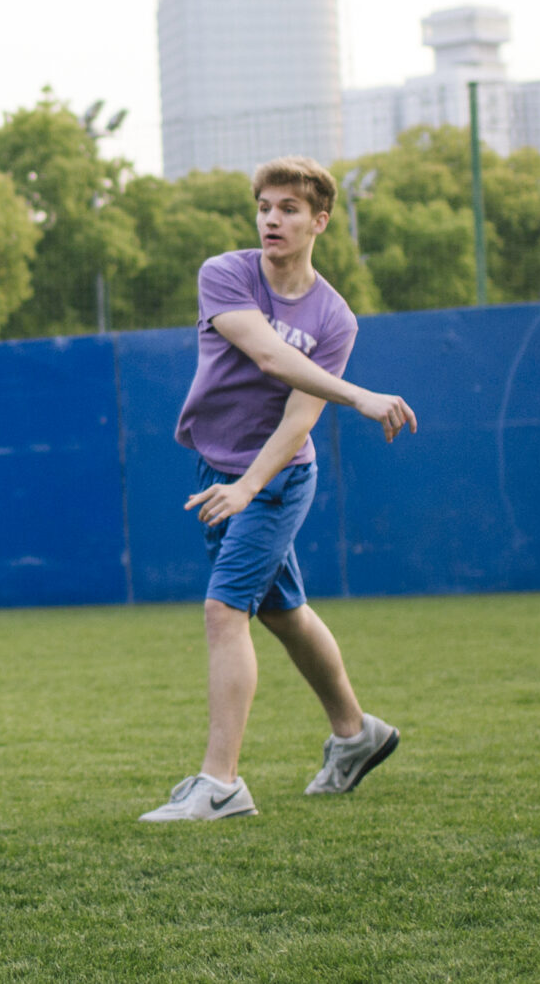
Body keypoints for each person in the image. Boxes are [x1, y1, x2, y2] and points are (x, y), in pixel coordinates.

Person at [140, 156, 420, 823]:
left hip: (280, 473)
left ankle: (222, 785)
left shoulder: (334, 318)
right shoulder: (226, 273)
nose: (272, 218)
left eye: (289, 208)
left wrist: (250, 487)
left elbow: (299, 417)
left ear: (319, 221)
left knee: (223, 611)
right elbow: (266, 352)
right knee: (282, 612)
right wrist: (361, 396)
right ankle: (358, 735)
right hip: (217, 468)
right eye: (265, 206)